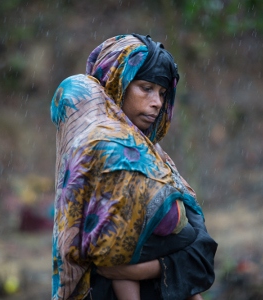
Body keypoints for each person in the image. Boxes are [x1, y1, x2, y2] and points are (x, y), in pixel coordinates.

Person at [50, 34, 217, 300]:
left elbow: (199, 252)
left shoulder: (154, 157)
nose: (157, 103)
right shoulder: (100, 149)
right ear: (118, 82)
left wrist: (137, 270)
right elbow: (104, 255)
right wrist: (168, 264)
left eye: (162, 93)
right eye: (146, 88)